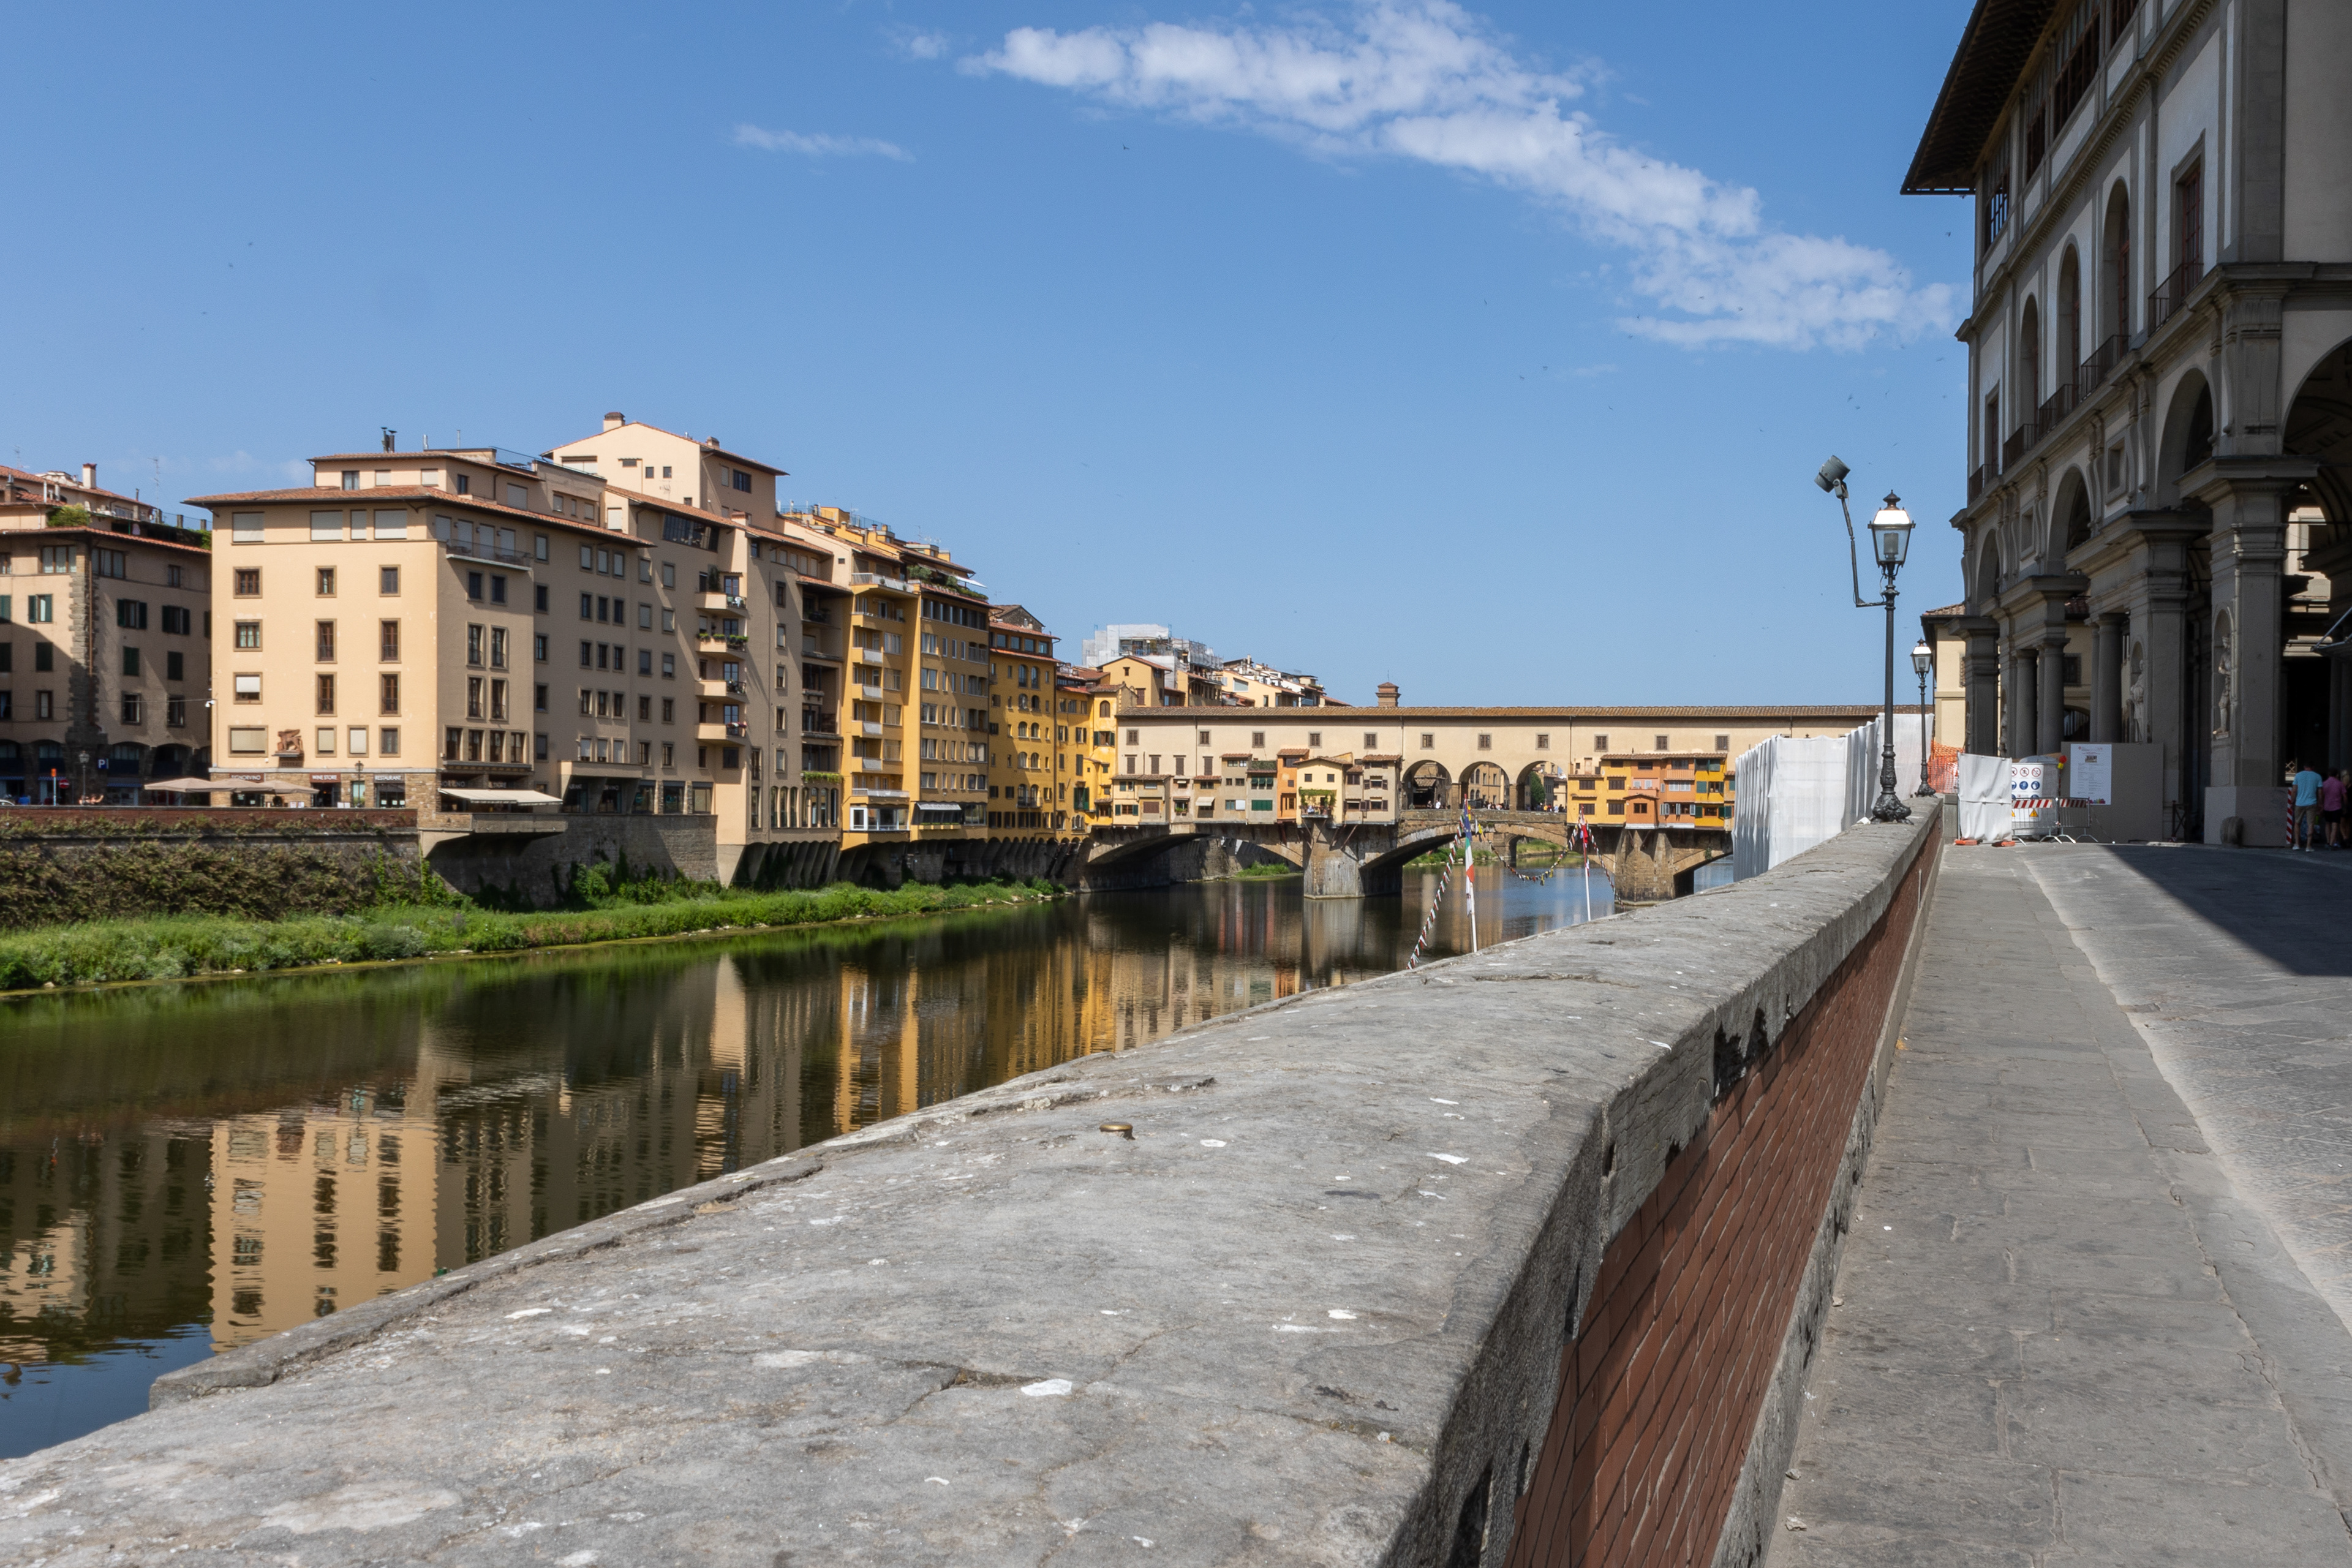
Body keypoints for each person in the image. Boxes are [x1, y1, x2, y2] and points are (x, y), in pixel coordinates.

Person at [2293, 760, 2325, 850]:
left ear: (2304, 767)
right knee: (2311, 824)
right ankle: (2308, 846)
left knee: (2297, 823)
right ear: (2313, 767)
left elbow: (2294, 790)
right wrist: (2321, 804)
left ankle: (2297, 844)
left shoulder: (2298, 775)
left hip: (2299, 803)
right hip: (2312, 803)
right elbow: (2320, 792)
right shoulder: (2318, 777)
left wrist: (2292, 801)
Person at [2331, 769, 2351, 850]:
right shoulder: (2350, 785)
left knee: (2341, 825)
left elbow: (2342, 797)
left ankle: (2344, 838)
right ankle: (2347, 840)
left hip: (2343, 806)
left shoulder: (2341, 785)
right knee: (2348, 825)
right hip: (2351, 807)